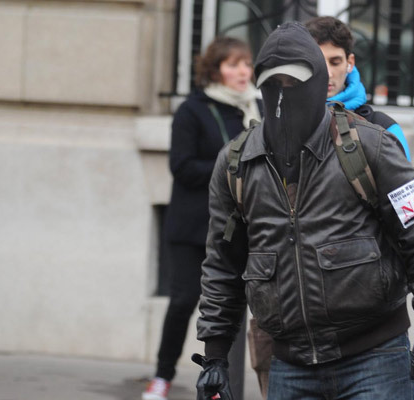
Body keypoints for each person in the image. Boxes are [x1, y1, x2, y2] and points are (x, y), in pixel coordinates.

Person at [193, 22, 414, 400]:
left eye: (296, 83)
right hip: (290, 363)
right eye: (275, 84)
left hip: (374, 356)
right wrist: (215, 354)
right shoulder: (236, 164)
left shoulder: (371, 146)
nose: (285, 96)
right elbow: (222, 263)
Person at [142, 36, 260, 400]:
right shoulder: (192, 110)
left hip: (240, 226)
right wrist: (231, 166)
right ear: (215, 70)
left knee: (242, 302)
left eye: (245, 64)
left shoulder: (257, 107)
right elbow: (181, 166)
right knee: (183, 301)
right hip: (194, 226)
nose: (242, 72)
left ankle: (226, 378)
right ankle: (162, 377)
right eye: (232, 65)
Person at [305, 15, 411, 161]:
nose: (328, 73)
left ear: (350, 62)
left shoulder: (384, 128)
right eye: (318, 62)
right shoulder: (282, 122)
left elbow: (405, 181)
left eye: (335, 62)